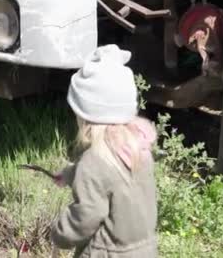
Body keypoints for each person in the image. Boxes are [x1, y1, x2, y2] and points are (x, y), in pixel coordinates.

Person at [50, 44, 158, 258]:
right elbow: (111, 182)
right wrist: (71, 174)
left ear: (85, 115)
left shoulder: (94, 162)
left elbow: (87, 215)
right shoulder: (137, 149)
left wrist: (60, 232)